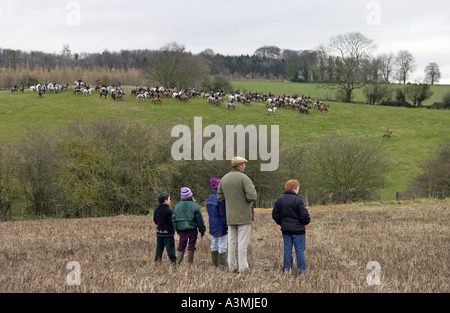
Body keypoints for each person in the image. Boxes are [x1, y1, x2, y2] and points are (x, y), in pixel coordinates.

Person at [217, 156, 257, 272]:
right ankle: (243, 268)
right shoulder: (244, 178)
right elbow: (252, 196)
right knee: (243, 244)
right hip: (243, 216)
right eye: (244, 164)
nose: (244, 166)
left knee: (231, 242)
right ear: (240, 165)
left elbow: (219, 197)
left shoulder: (224, 179)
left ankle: (231, 266)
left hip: (230, 216)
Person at [272, 179, 310, 274]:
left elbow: (275, 215)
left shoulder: (279, 200)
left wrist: (281, 223)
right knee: (300, 251)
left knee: (287, 250)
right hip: (299, 231)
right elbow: (305, 216)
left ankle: (286, 270)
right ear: (294, 188)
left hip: (286, 230)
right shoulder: (298, 201)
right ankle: (302, 270)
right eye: (298, 188)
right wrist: (304, 222)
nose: (298, 191)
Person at [172, 187, 206, 264]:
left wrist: (177, 230)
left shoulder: (177, 206)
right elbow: (200, 220)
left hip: (182, 230)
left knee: (181, 245)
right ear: (190, 195)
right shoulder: (195, 206)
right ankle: (190, 264)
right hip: (192, 229)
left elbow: (173, 219)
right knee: (191, 245)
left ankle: (178, 263)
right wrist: (202, 231)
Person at [207, 177, 227, 267]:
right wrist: (226, 226)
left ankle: (214, 262)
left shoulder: (210, 198)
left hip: (212, 223)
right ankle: (222, 264)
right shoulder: (221, 199)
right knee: (222, 244)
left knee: (214, 243)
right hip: (220, 224)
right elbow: (223, 214)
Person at [153, 192, 176, 264]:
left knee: (159, 248)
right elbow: (172, 222)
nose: (170, 201)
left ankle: (157, 261)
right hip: (168, 234)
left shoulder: (156, 210)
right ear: (165, 201)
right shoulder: (169, 211)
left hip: (159, 232)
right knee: (170, 248)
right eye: (169, 199)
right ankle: (173, 261)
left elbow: (155, 221)